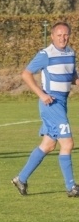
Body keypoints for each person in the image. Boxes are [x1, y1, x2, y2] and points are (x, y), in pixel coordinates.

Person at [12, 22, 79, 197]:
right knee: (68, 143)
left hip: (62, 102)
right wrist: (42, 94)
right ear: (52, 36)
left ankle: (21, 178)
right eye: (59, 35)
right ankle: (71, 187)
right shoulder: (45, 54)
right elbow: (26, 74)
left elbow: (71, 76)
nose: (62, 38)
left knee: (48, 145)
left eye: (65, 35)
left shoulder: (71, 53)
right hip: (51, 103)